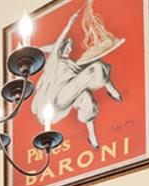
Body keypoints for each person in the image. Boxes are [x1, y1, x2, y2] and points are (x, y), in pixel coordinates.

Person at [30, 6, 124, 149]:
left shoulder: (73, 63)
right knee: (96, 67)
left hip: (68, 94)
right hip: (57, 99)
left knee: (86, 97)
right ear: (61, 49)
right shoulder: (54, 61)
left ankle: (92, 136)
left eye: (70, 47)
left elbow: (81, 74)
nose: (70, 49)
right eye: (67, 47)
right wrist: (69, 24)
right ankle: (111, 90)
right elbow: (58, 43)